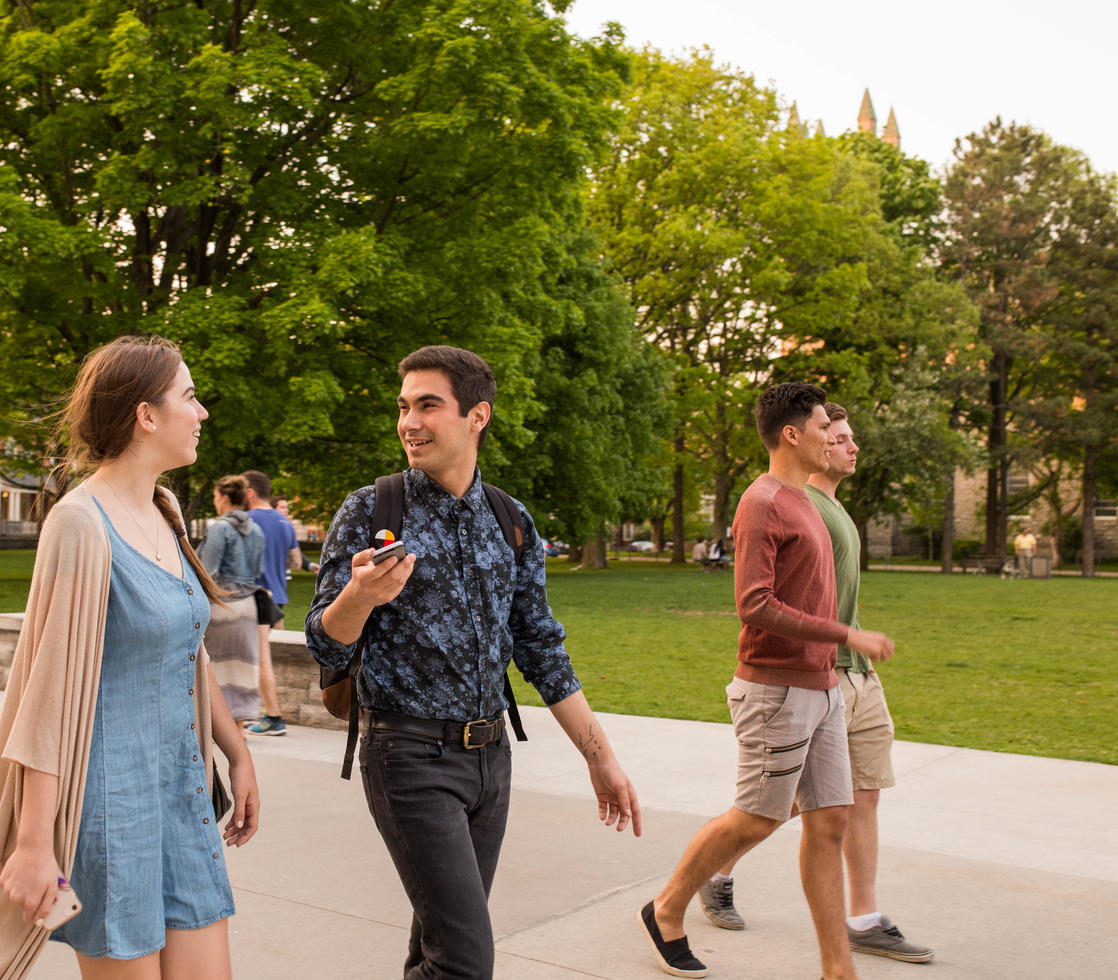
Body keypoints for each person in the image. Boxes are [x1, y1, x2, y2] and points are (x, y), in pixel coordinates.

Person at [0, 336, 259, 980]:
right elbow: (49, 695)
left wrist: (236, 751)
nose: (202, 412)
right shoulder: (79, 523)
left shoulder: (166, 508)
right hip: (110, 808)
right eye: (190, 396)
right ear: (146, 416)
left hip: (182, 797)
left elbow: (188, 651)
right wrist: (35, 842)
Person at [307, 345, 642, 980]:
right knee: (464, 960)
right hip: (406, 756)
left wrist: (601, 759)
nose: (410, 422)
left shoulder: (510, 519)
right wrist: (359, 597)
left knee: (438, 955)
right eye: (404, 407)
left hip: (492, 761)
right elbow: (324, 642)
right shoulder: (372, 511)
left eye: (429, 405)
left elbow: (541, 646)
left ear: (477, 416)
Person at [638, 383, 894, 980]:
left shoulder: (808, 499)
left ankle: (838, 968)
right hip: (775, 690)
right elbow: (754, 604)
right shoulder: (764, 501)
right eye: (821, 425)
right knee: (758, 817)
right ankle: (666, 908)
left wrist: (834, 656)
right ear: (792, 435)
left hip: (822, 688)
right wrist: (845, 635)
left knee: (831, 819)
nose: (831, 434)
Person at [701, 403, 932, 963]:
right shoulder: (789, 503)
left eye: (846, 434)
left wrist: (857, 654)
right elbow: (758, 602)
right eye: (835, 433)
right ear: (808, 439)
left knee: (853, 799)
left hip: (852, 676)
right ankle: (704, 879)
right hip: (809, 675)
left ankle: (862, 919)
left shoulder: (831, 509)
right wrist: (846, 640)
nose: (846, 444)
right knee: (780, 806)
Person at [198, 475, 267, 728]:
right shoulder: (257, 530)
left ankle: (217, 726)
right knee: (242, 669)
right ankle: (239, 730)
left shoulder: (219, 528)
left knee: (216, 667)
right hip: (248, 607)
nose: (215, 502)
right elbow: (258, 569)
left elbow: (207, 570)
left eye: (216, 496)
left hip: (222, 605)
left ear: (225, 498)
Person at [241, 471, 302, 736]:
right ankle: (257, 714)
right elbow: (297, 562)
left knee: (260, 658)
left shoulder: (245, 520)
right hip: (278, 597)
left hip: (256, 596)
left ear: (250, 492)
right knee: (265, 657)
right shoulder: (285, 522)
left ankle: (273, 716)